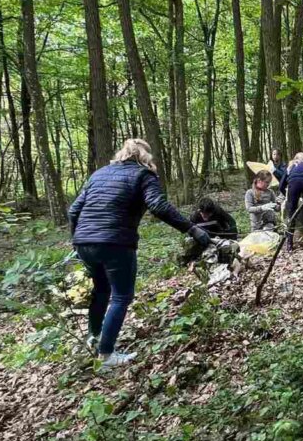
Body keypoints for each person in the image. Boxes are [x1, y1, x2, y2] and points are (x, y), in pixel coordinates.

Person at [68, 139, 210, 369]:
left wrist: (76, 241)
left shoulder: (99, 174)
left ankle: (94, 338)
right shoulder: (143, 175)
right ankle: (105, 356)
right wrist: (192, 229)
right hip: (115, 242)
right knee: (121, 296)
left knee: (101, 289)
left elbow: (73, 210)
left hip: (85, 242)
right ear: (145, 157)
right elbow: (158, 206)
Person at [181, 196, 239, 264]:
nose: (206, 217)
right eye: (204, 214)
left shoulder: (218, 211)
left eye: (209, 214)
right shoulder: (194, 217)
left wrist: (233, 236)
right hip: (203, 238)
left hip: (219, 236)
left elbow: (231, 222)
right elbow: (189, 232)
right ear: (199, 211)